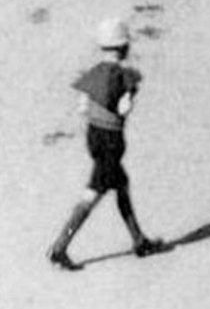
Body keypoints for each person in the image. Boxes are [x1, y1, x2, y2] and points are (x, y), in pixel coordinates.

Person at [47, 17, 166, 271]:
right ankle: (60, 246)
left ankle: (138, 240)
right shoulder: (126, 77)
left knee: (121, 184)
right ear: (124, 48)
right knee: (92, 194)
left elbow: (82, 107)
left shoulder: (93, 74)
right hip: (112, 142)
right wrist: (128, 98)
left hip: (94, 137)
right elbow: (124, 109)